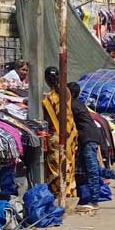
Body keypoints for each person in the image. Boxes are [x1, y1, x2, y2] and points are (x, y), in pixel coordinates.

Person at [67, 82, 115, 211]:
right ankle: (114, 174)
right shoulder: (78, 103)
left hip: (88, 138)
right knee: (87, 168)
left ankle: (94, 201)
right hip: (91, 136)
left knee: (91, 170)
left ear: (70, 93)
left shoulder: (72, 105)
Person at [41, 67, 77, 199]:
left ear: (46, 80)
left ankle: (59, 196)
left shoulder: (47, 99)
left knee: (56, 169)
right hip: (70, 133)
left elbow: (46, 116)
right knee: (69, 165)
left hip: (56, 137)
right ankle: (69, 193)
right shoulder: (66, 92)